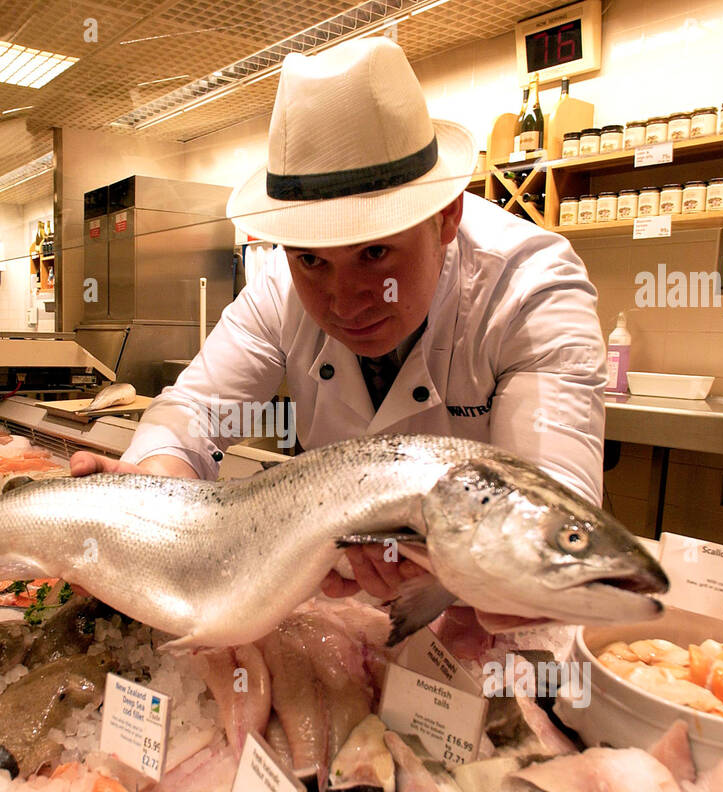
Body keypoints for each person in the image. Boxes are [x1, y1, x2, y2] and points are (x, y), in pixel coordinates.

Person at [71, 38, 606, 609]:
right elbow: (195, 410)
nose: (345, 303)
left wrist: (479, 580)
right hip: (345, 603)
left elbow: (551, 512)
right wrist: (159, 479)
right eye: (312, 260)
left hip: (487, 621)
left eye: (376, 254)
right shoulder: (278, 283)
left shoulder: (528, 289)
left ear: (446, 215)